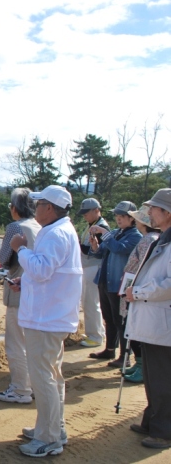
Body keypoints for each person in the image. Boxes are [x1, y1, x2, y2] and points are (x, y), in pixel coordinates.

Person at [8, 185, 82, 457]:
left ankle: (49, 437)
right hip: (51, 316)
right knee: (52, 375)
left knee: (43, 379)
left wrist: (21, 250)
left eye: (39, 204)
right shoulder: (59, 231)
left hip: (46, 319)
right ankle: (52, 427)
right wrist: (23, 281)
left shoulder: (55, 234)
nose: (35, 208)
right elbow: (48, 273)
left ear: (49, 208)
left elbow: (40, 268)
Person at [124, 188, 171, 450]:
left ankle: (163, 430)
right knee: (154, 376)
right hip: (154, 321)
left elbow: (168, 284)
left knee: (163, 378)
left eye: (154, 208)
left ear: (167, 213)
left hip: (163, 322)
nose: (149, 212)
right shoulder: (163, 238)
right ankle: (153, 420)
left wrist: (139, 293)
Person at [0, 188, 41, 404]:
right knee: (32, 344)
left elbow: (5, 258)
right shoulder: (40, 226)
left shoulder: (15, 227)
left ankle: (20, 389)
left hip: (18, 290)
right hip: (38, 292)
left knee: (16, 343)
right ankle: (33, 385)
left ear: (15, 208)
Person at [88, 201, 141, 368]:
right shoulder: (117, 232)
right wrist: (96, 246)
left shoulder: (135, 236)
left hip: (119, 284)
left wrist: (105, 234)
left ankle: (124, 356)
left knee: (120, 321)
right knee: (108, 318)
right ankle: (110, 349)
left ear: (132, 218)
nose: (118, 219)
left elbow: (119, 249)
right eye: (117, 216)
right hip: (106, 280)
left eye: (122, 216)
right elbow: (102, 251)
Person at [118, 205, 160, 383]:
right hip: (135, 288)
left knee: (132, 327)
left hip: (134, 289)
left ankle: (142, 366)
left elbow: (141, 266)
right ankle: (139, 363)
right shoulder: (150, 238)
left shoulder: (148, 239)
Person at [77, 198, 110, 348]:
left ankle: (95, 336)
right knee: (88, 302)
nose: (84, 215)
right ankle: (95, 332)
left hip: (94, 267)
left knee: (91, 303)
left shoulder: (100, 227)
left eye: (87, 212)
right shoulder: (92, 225)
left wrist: (78, 245)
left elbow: (94, 251)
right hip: (88, 266)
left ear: (96, 210)